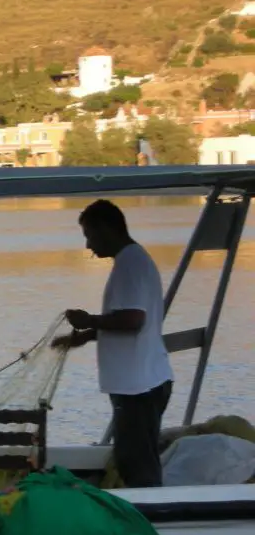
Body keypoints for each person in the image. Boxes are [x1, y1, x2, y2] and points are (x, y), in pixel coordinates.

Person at [53, 199, 174, 488]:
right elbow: (125, 321)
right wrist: (83, 337)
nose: (88, 246)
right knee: (134, 457)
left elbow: (133, 320)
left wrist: (89, 320)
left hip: (138, 388)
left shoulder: (130, 265)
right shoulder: (132, 260)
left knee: (136, 464)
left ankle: (148, 520)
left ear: (107, 229)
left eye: (90, 236)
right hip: (143, 382)